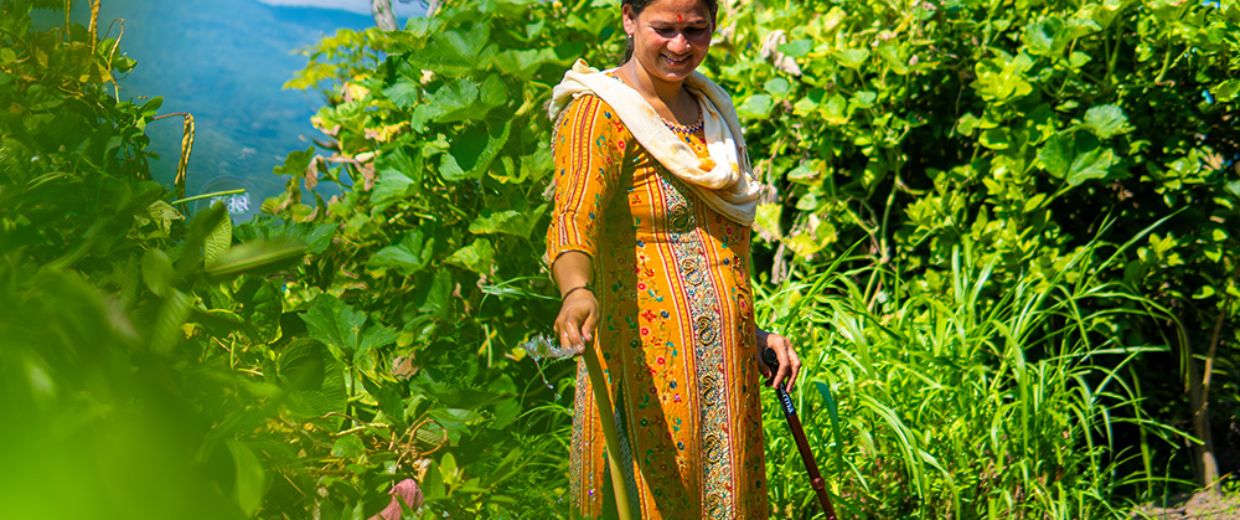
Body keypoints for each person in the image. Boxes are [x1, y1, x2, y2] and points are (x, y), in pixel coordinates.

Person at [545, 0, 801, 517]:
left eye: (696, 30)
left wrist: (750, 335)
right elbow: (574, 216)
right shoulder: (600, 113)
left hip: (725, 373)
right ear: (628, 19)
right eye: (664, 29)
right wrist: (576, 289)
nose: (681, 46)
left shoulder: (713, 115)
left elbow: (713, 249)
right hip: (647, 368)